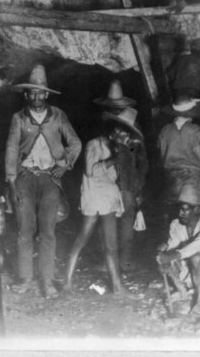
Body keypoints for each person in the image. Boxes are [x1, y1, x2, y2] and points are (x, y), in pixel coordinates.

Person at [5, 64, 82, 298]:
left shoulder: (58, 116)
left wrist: (64, 165)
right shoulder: (18, 118)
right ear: (26, 95)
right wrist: (11, 183)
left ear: (46, 95)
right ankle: (25, 279)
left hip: (49, 178)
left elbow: (75, 143)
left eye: (41, 93)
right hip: (24, 178)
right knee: (24, 231)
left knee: (48, 232)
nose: (37, 97)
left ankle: (47, 282)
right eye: (32, 93)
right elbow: (11, 148)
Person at [64, 110, 142, 297]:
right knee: (82, 239)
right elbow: (91, 171)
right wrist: (115, 159)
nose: (124, 137)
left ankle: (117, 287)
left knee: (111, 245)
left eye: (126, 135)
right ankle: (66, 283)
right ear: (113, 130)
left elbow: (122, 175)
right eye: (122, 133)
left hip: (108, 198)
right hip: (93, 197)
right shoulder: (93, 144)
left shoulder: (118, 148)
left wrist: (125, 153)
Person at [93, 83, 147, 270]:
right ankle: (107, 260)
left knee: (126, 223)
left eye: (117, 107)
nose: (113, 110)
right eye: (110, 107)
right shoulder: (101, 128)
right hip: (107, 183)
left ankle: (124, 260)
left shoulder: (133, 130)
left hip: (127, 184)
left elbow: (142, 160)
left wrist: (139, 186)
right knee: (106, 222)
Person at [156, 185, 200, 316]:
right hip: (186, 275)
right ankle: (182, 291)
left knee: (195, 257)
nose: (180, 213)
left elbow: (196, 245)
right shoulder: (175, 224)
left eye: (185, 210)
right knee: (163, 255)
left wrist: (173, 254)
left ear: (196, 209)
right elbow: (172, 244)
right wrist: (163, 252)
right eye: (179, 210)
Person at [158, 96, 200, 208]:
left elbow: (161, 152)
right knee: (192, 214)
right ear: (191, 114)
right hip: (192, 180)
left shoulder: (165, 131)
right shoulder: (197, 131)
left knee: (174, 215)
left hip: (170, 179)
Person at [167, 36, 200, 100]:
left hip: (177, 92)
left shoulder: (181, 58)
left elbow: (170, 74)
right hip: (192, 93)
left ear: (192, 49)